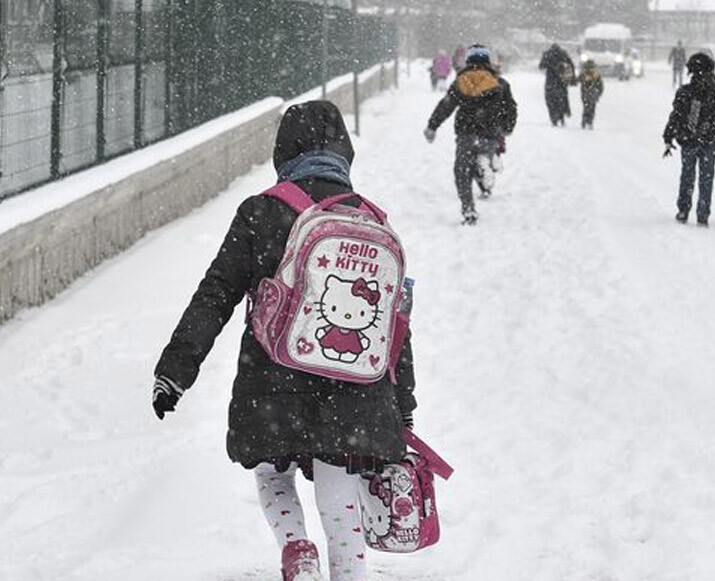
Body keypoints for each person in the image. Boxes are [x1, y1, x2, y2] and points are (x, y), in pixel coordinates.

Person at [151, 101, 417, 581]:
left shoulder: (260, 211)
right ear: (344, 152)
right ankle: (349, 573)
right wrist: (404, 400)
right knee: (338, 479)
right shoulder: (372, 221)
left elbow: (216, 294)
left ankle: (298, 551)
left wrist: (175, 369)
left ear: (283, 150)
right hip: (354, 388)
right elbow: (394, 323)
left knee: (273, 472)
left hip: (273, 378)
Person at [425, 44, 518, 226]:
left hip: (466, 133)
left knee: (462, 171)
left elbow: (446, 105)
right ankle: (485, 167)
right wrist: (507, 128)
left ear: (468, 60)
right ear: (488, 61)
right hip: (490, 133)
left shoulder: (461, 81)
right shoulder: (500, 83)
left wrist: (432, 126)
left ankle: (468, 209)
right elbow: (510, 108)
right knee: (482, 158)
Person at [663, 52, 715, 227]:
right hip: (709, 141)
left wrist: (669, 136)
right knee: (706, 178)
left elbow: (676, 116)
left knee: (687, 175)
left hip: (688, 140)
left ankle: (683, 210)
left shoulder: (685, 92)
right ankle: (703, 213)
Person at [539, 44, 576, 126]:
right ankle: (562, 115)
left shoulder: (547, 54)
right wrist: (573, 79)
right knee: (562, 99)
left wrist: (549, 65)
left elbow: (541, 66)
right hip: (561, 81)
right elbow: (571, 65)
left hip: (550, 81)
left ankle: (554, 118)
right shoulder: (563, 54)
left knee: (550, 100)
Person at [578, 59, 605, 130]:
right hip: (592, 95)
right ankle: (589, 121)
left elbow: (578, 80)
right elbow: (601, 86)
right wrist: (598, 93)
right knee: (591, 108)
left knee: (587, 108)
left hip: (586, 95)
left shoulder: (586, 74)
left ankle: (586, 121)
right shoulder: (596, 75)